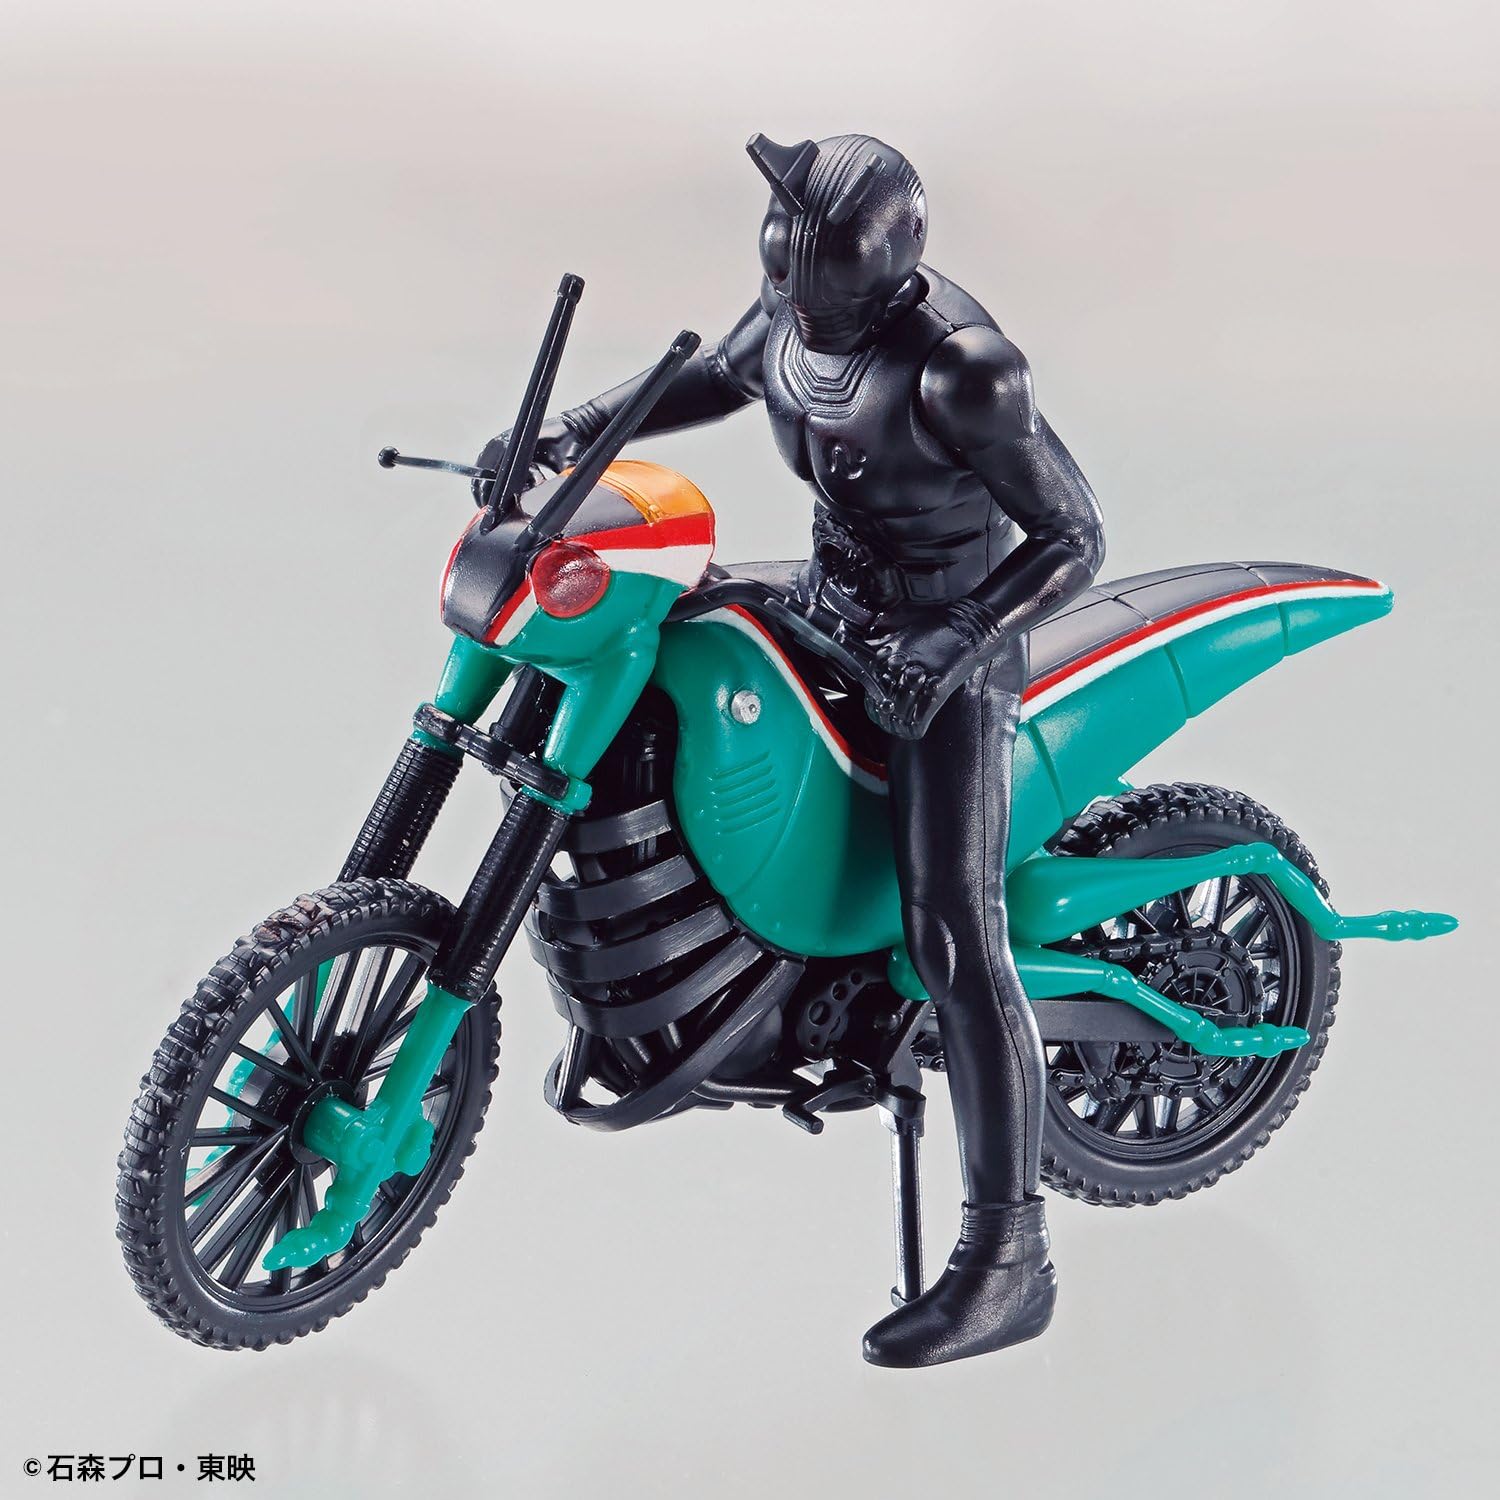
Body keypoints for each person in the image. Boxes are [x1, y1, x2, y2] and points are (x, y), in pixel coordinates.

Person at [477, 133, 1105, 1367]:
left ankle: (1009, 1261)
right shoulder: (792, 315)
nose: (801, 314)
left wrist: (957, 634)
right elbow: (715, 377)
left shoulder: (967, 371)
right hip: (830, 599)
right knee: (666, 662)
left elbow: (1075, 535)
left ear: (888, 269)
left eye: (824, 297)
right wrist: (567, 432)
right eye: (788, 287)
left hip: (948, 650)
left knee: (951, 932)